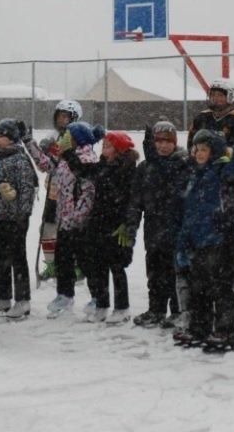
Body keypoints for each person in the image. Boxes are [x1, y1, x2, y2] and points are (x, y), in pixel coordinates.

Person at [173, 129, 234, 353]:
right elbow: (189, 211)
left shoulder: (222, 171)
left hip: (219, 240)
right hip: (197, 240)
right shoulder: (195, 175)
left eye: (204, 149)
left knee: (221, 289)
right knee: (198, 288)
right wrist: (184, 240)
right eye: (196, 149)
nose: (199, 153)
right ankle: (200, 328)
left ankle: (225, 331)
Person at [28, 121, 102, 318]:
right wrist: (29, 143)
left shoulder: (87, 159)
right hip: (64, 220)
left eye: (67, 136)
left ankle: (98, 298)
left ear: (76, 139)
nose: (63, 139)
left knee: (87, 262)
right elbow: (46, 164)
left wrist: (76, 218)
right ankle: (65, 295)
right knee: (63, 261)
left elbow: (88, 193)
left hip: (80, 223)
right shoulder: (65, 158)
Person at [120, 120, 190, 328]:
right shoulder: (145, 168)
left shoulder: (184, 164)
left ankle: (178, 311)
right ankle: (156, 309)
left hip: (178, 229)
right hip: (154, 229)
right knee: (155, 272)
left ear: (175, 142)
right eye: (159, 141)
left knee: (177, 272)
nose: (163, 145)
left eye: (168, 141)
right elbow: (136, 200)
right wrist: (131, 225)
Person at [187, 78, 234, 299]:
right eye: (212, 93)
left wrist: (224, 160)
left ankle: (233, 280)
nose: (215, 98)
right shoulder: (201, 117)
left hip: (227, 183)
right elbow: (191, 147)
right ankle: (208, 277)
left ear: (229, 97)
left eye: (220, 94)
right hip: (203, 182)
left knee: (229, 234)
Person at [0, 119, 38, 321]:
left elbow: (26, 188)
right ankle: (3, 297)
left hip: (15, 218)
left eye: (1, 136)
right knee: (1, 258)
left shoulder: (19, 159)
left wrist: (23, 214)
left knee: (17, 258)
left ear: (12, 138)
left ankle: (23, 300)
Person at [84, 131, 137, 324]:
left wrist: (127, 223)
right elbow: (84, 170)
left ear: (119, 149)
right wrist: (67, 154)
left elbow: (131, 199)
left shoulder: (128, 169)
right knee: (98, 267)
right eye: (103, 146)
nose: (103, 150)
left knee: (117, 267)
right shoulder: (102, 166)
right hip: (99, 223)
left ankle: (122, 307)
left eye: (108, 146)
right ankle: (102, 305)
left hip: (117, 226)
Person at [27, 99, 82, 282]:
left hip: (71, 194)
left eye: (66, 117)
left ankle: (75, 265)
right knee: (48, 228)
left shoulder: (78, 139)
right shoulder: (54, 138)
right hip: (53, 192)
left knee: (69, 232)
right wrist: (40, 149)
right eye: (59, 116)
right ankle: (52, 264)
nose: (61, 120)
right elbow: (46, 166)